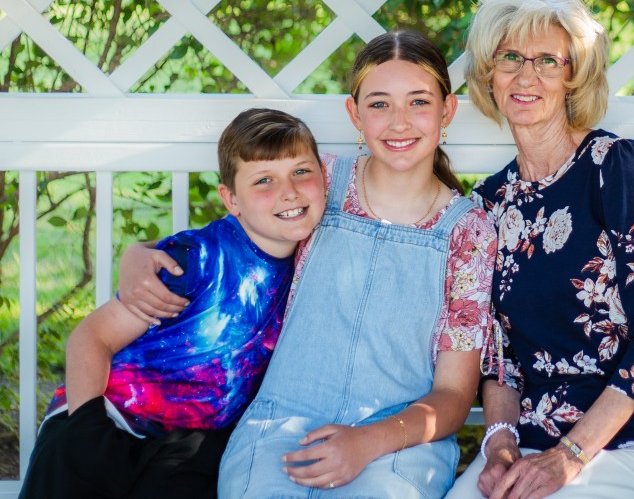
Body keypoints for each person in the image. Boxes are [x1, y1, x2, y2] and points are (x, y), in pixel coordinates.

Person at [118, 31, 497, 497]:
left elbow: (454, 397)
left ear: (447, 110)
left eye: (418, 101)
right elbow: (232, 238)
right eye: (379, 104)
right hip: (281, 423)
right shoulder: (316, 180)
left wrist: (365, 442)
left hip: (398, 443)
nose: (399, 122)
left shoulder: (468, 231)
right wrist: (138, 255)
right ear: (354, 114)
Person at [447, 0, 634, 499]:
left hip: (633, 437)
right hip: (532, 440)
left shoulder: (618, 168)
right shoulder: (490, 203)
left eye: (547, 61)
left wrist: (569, 458)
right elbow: (500, 358)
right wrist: (499, 448)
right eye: (510, 58)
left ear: (572, 75)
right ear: (488, 74)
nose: (525, 76)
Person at [19, 108, 327, 498]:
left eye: (301, 171)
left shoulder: (316, 257)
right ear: (231, 199)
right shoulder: (197, 259)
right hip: (104, 417)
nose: (289, 191)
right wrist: (87, 428)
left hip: (189, 443)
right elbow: (92, 336)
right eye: (264, 179)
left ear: (324, 175)